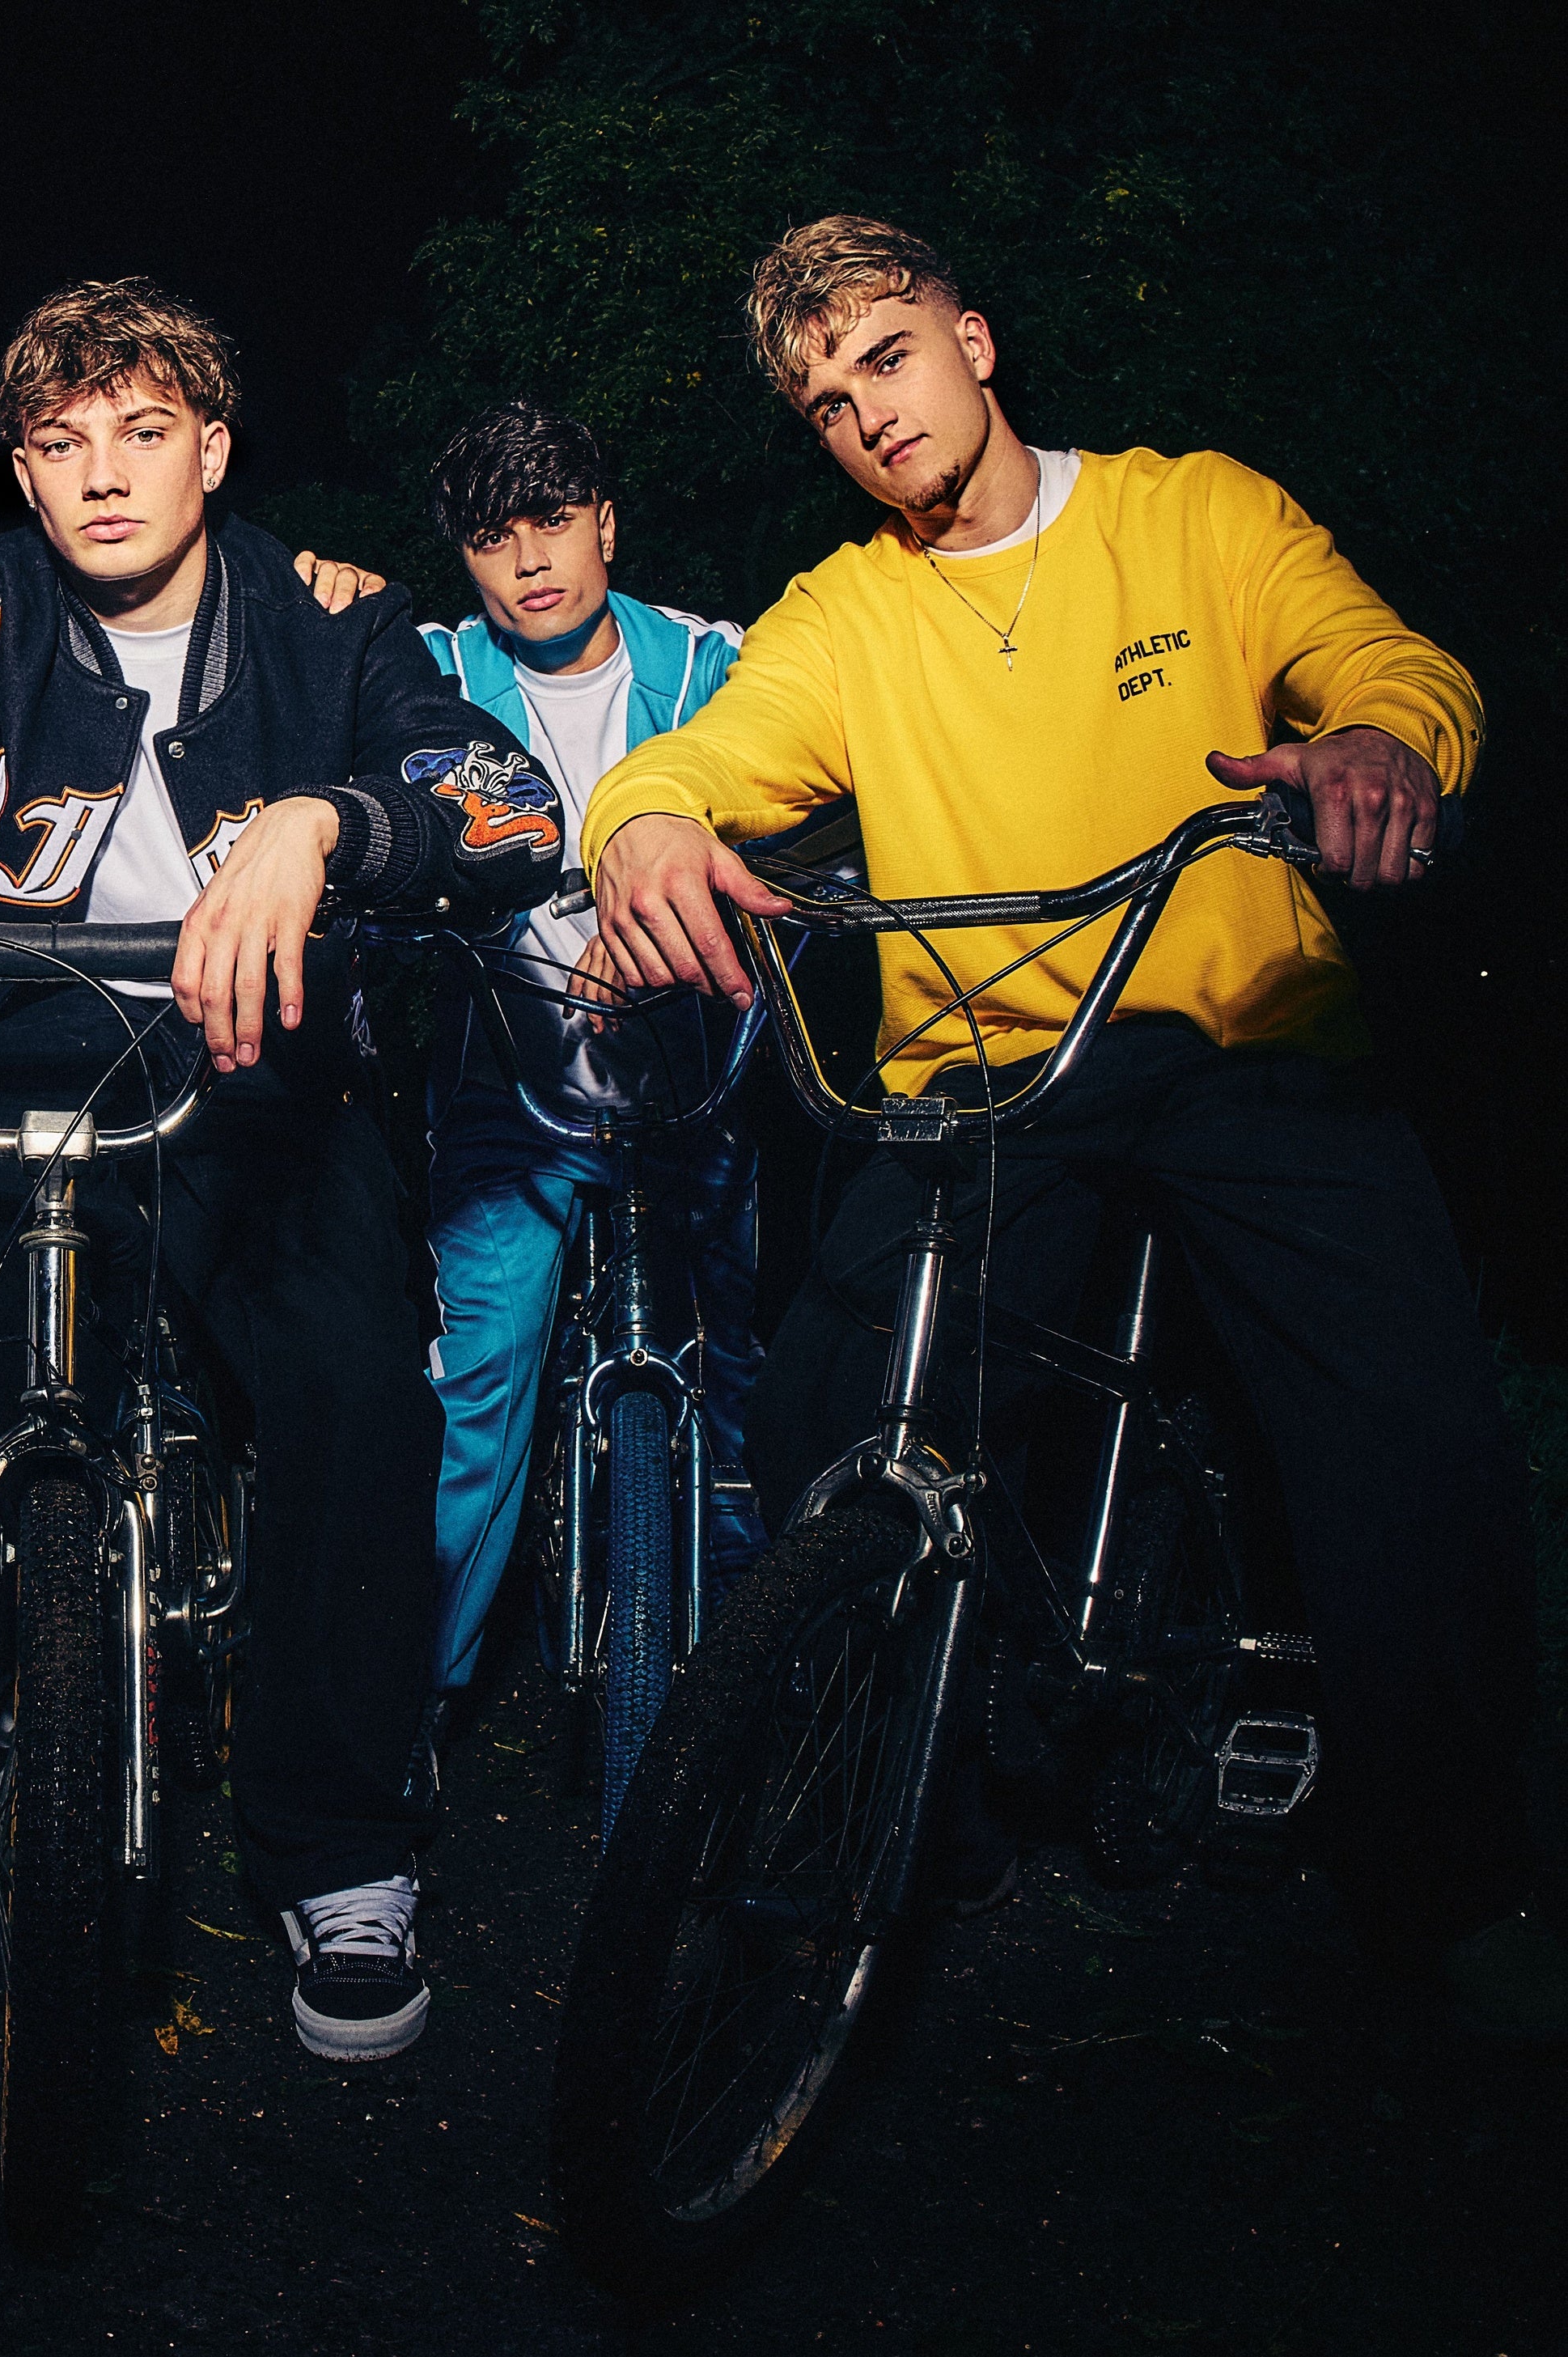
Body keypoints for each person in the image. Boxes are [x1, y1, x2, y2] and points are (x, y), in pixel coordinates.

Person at [579, 215, 1565, 2037]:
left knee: (1410, 1426)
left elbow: (1389, 663)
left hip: (1239, 1034)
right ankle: (915, 1813)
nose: (868, 413)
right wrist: (643, 826)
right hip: (992, 1070)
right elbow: (703, 756)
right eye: (826, 401)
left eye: (887, 356)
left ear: (972, 338)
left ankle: (1454, 1882)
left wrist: (1381, 745)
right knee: (827, 1397)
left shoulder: (1195, 515)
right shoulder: (847, 611)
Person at [0, 279, 569, 2061]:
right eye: (61, 441)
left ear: (214, 449)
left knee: (356, 1390)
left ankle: (342, 1848)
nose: (102, 474)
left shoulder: (331, 620)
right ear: (21, 472)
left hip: (271, 1094)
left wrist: (335, 824)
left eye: (144, 431)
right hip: (34, 1077)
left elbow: (508, 805)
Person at [409, 399, 763, 1730]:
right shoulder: (434, 672)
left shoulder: (719, 665)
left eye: (553, 521)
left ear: (605, 523)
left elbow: (814, 797)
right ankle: (419, 1713)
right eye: (493, 538)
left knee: (739, 1382)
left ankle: (746, 1698)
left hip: (700, 1087)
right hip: (513, 1094)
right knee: (478, 1391)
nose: (530, 561)